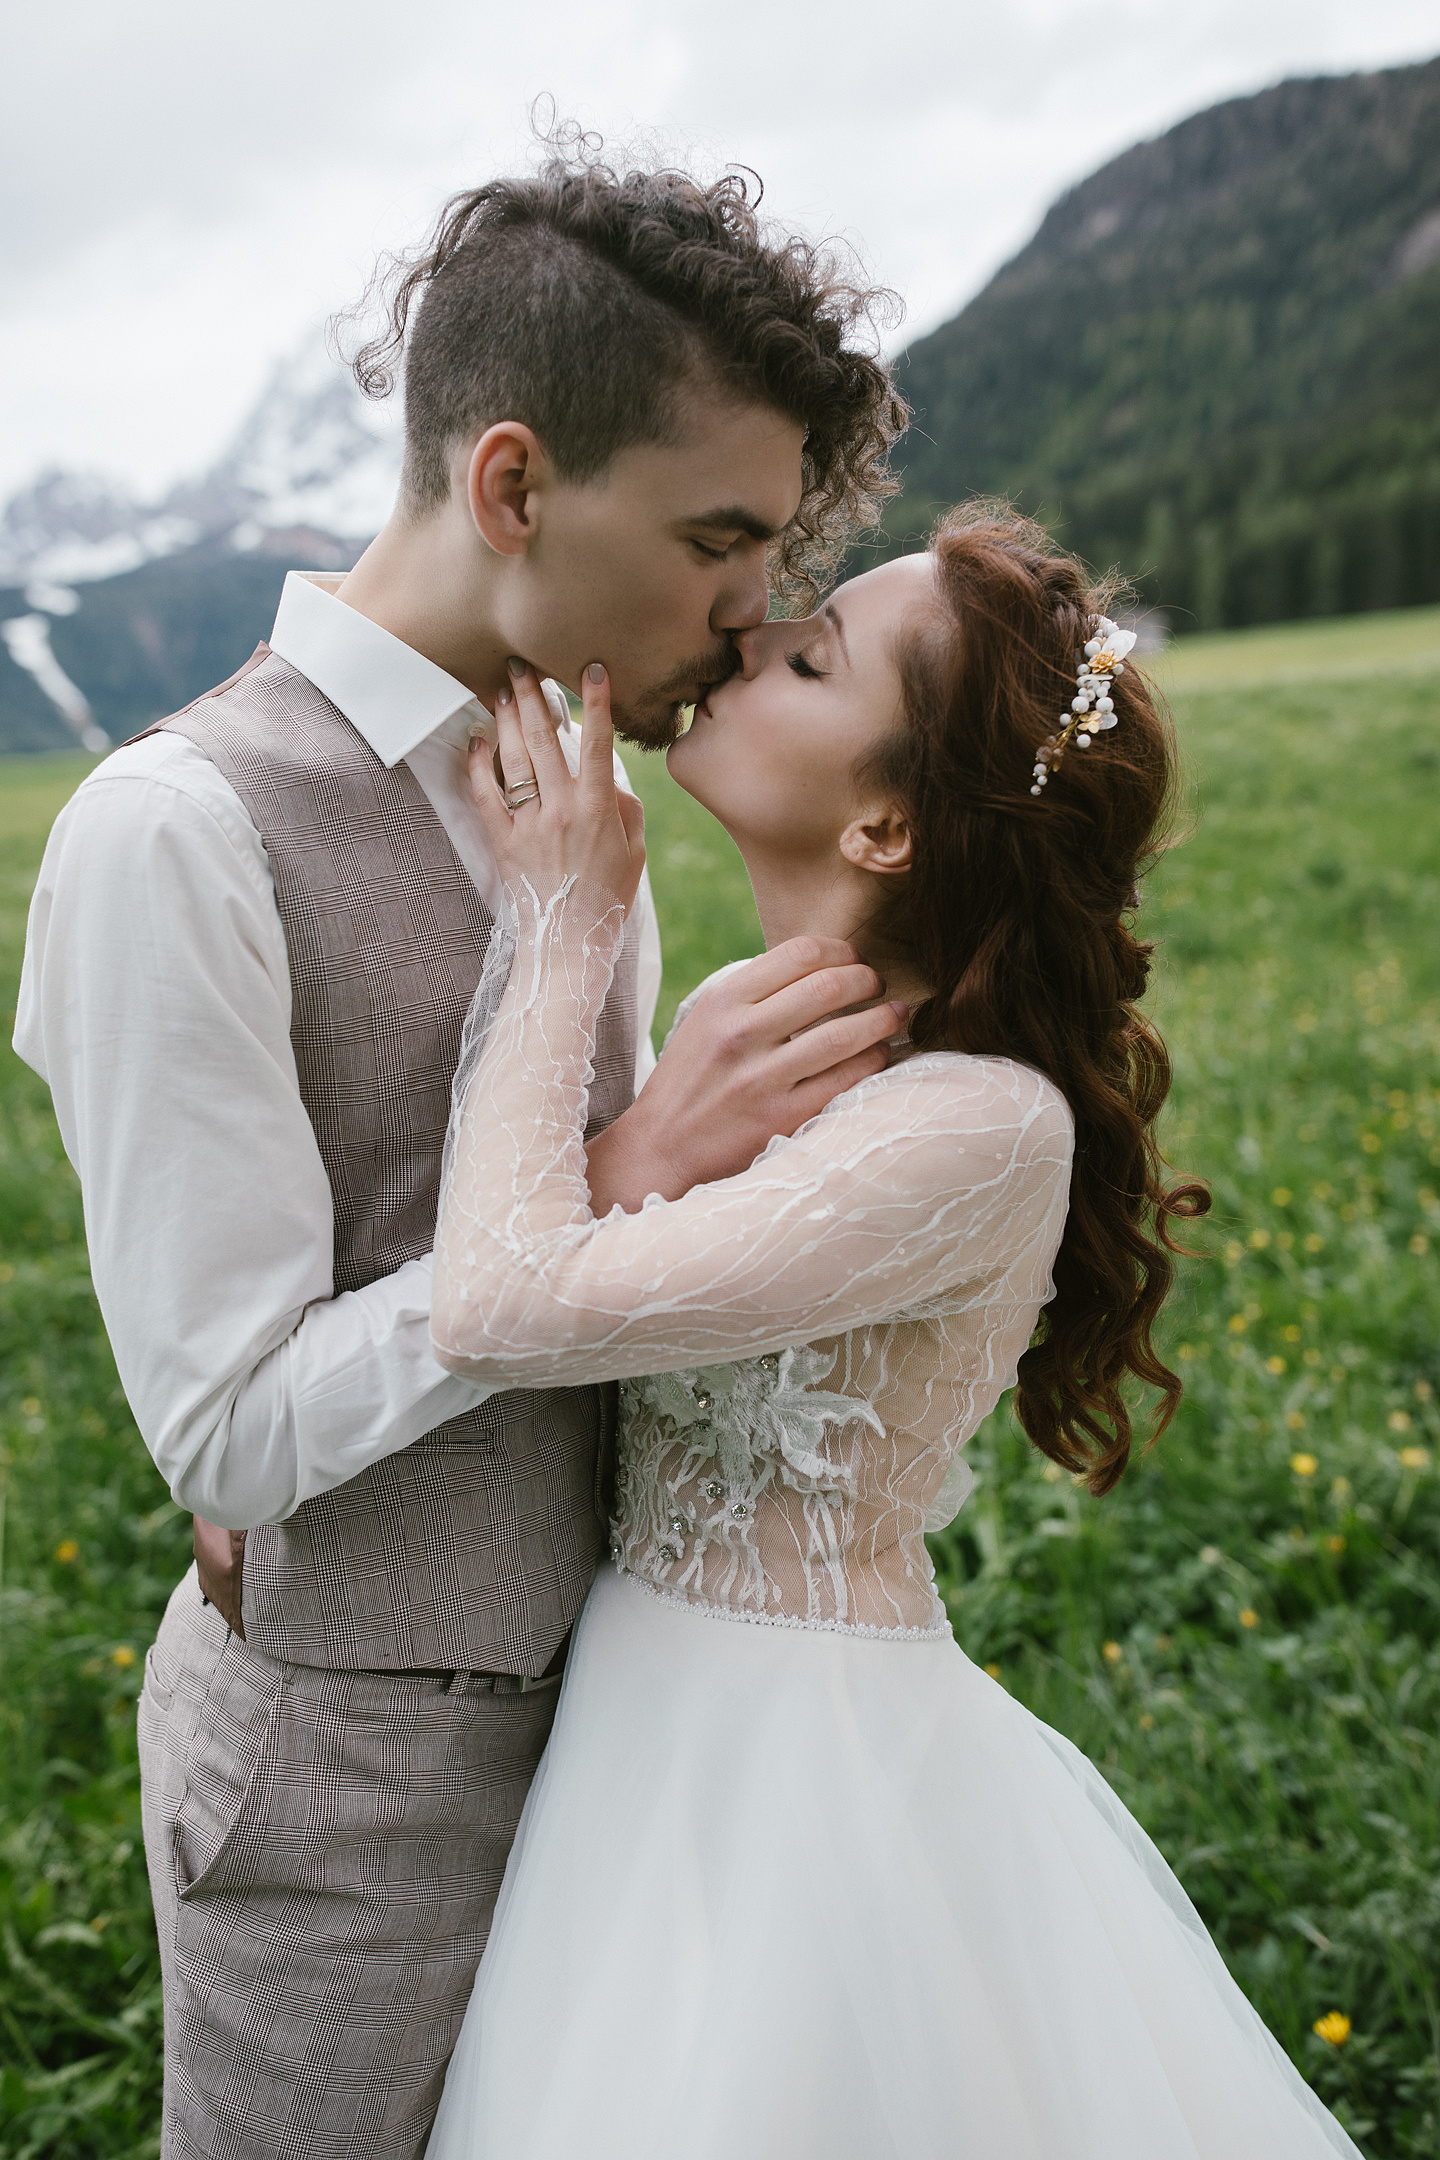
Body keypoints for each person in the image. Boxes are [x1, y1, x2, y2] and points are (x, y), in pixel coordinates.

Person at [12, 150, 905, 2159]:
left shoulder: (577, 796)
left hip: (625, 1741)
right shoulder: (173, 835)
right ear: (514, 486)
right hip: (350, 1793)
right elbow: (229, 1432)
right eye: (716, 537)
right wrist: (641, 1157)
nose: (751, 608)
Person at [422, 505, 1362, 2158]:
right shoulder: (756, 1031)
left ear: (884, 826)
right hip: (633, 1728)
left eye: (808, 657)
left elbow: (501, 1301)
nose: (744, 645)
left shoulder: (976, 1129)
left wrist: (562, 918)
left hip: (792, 1776)